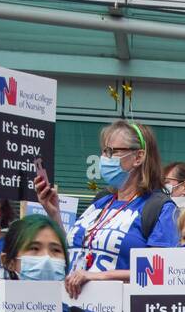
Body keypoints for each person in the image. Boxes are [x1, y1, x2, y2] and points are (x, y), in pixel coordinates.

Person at [35, 119, 177, 296]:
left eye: (112, 151)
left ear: (138, 157)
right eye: (104, 151)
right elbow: (75, 251)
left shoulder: (159, 208)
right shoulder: (101, 201)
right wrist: (54, 212)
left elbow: (159, 273)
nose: (104, 158)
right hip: (76, 307)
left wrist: (98, 276)